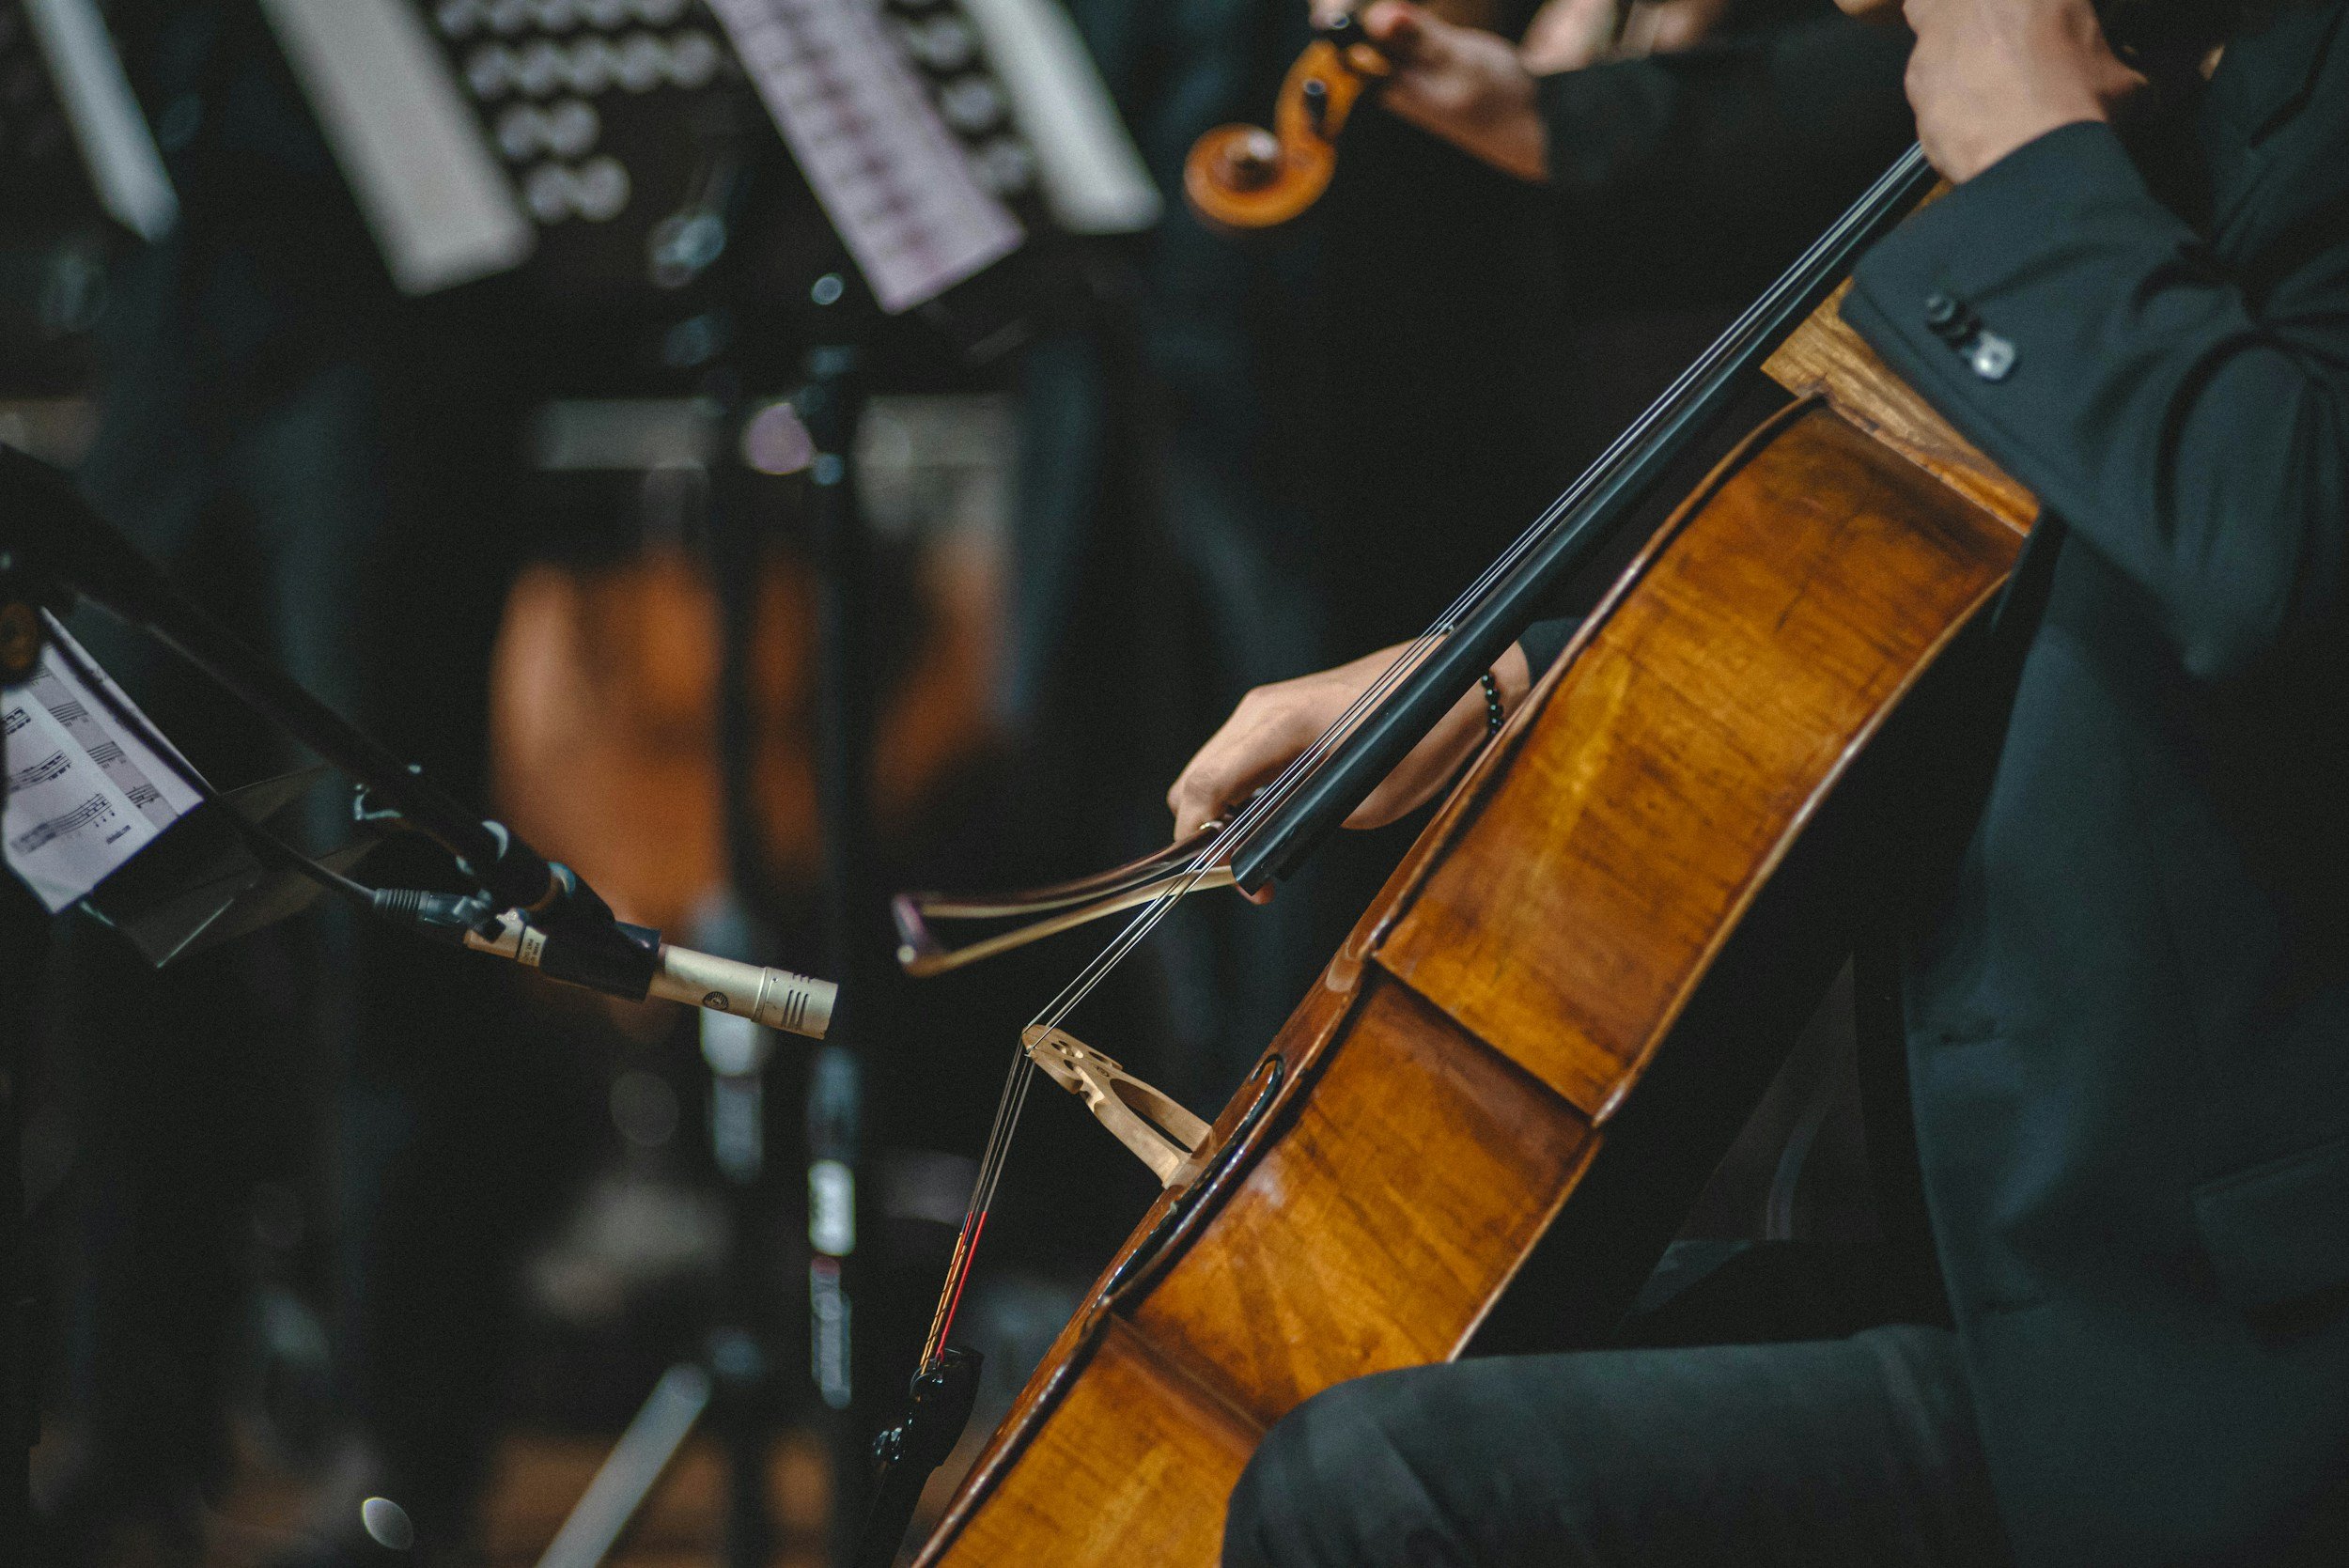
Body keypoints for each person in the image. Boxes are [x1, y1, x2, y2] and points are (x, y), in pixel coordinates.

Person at [1167, 0, 2349, 1560]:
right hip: (2020, 1258)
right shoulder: (2160, 52)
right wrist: (1505, 673)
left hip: (2222, 1360)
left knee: (1379, 1495)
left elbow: (2277, 550)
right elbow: (1918, 563)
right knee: (1325, 1366)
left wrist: (2038, 165)